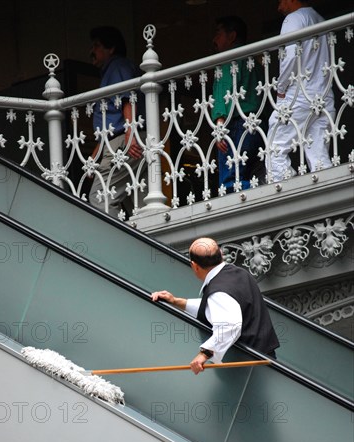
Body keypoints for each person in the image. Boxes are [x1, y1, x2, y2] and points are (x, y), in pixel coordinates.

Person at [151, 237, 279, 374]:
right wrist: (176, 301)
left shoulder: (218, 292)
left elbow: (229, 325)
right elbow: (217, 308)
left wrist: (204, 354)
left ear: (194, 265)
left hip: (251, 370)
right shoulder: (238, 273)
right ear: (221, 254)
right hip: (263, 360)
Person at [266, 0, 335, 182]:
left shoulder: (294, 18)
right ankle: (326, 196)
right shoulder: (319, 19)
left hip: (300, 94)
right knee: (319, 157)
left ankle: (285, 196)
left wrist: (281, 89)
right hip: (324, 96)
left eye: (280, 1)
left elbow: (289, 56)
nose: (279, 8)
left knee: (275, 147)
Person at [88, 26, 146, 218]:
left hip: (123, 143)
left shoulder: (117, 67)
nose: (92, 51)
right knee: (140, 206)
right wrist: (93, 158)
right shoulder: (112, 70)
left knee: (100, 198)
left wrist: (131, 135)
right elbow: (109, 125)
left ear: (111, 48)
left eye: (97, 46)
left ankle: (114, 244)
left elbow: (127, 99)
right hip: (122, 140)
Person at [211, 16, 265, 193]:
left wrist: (220, 125)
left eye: (218, 33)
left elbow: (225, 92)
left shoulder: (229, 58)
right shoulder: (253, 60)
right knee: (255, 173)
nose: (214, 39)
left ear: (232, 36)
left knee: (230, 182)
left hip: (237, 125)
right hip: (257, 124)